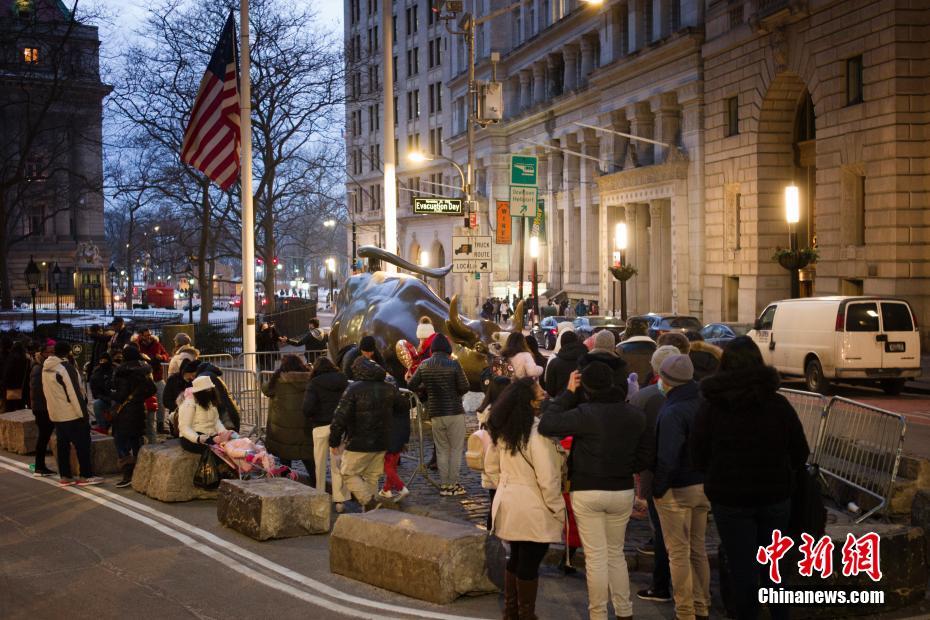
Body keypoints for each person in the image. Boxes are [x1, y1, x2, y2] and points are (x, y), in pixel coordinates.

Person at [691, 337, 810, 620]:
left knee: (742, 568)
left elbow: (697, 455)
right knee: (775, 568)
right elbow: (800, 451)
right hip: (775, 496)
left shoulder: (711, 408)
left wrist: (716, 475)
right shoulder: (778, 405)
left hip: (730, 499)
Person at [540, 363, 652, 620]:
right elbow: (646, 454)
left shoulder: (584, 413)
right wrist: (625, 468)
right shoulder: (635, 415)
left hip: (587, 488)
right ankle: (625, 612)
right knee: (616, 554)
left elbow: (548, 423)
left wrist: (568, 392)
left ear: (587, 387)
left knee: (596, 557)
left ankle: (598, 614)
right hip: (621, 488)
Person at [484, 378, 564, 620]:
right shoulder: (536, 434)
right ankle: (525, 615)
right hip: (532, 506)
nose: (544, 395)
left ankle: (512, 612)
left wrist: (507, 487)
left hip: (509, 503)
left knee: (517, 558)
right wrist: (558, 509)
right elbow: (548, 478)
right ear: (529, 403)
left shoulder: (504, 432)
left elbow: (490, 467)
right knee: (528, 562)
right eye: (540, 394)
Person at [652, 354, 710, 620]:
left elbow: (667, 456)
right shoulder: (704, 403)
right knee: (698, 548)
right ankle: (702, 605)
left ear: (668, 380)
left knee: (678, 552)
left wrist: (658, 488)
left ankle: (685, 611)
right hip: (703, 485)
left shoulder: (673, 411)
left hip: (677, 489)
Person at [628, 345, 680, 603]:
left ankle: (662, 584)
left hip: (655, 472)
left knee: (662, 531)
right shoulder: (699, 396)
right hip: (691, 478)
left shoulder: (645, 397)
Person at [329, 356, 408, 511]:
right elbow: (404, 405)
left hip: (359, 441)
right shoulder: (388, 387)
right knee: (372, 476)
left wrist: (334, 441)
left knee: (347, 472)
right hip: (382, 440)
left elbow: (340, 417)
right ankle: (373, 514)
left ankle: (369, 502)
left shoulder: (353, 389)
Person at [408, 334, 469, 496]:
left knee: (441, 450)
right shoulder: (454, 364)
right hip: (454, 412)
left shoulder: (424, 365)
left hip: (435, 413)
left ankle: (444, 486)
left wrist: (426, 389)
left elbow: (411, 384)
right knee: (455, 449)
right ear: (448, 349)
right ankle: (453, 484)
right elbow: (464, 387)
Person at [42, 341, 102, 486]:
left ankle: (65, 476)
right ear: (68, 352)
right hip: (71, 414)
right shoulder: (65, 368)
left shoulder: (46, 367)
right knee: (82, 444)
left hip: (56, 413)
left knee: (63, 446)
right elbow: (74, 393)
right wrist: (83, 413)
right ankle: (86, 475)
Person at [303, 356, 350, 511]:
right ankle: (340, 501)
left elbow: (307, 407)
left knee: (320, 464)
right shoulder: (343, 380)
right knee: (338, 464)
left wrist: (313, 416)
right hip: (339, 426)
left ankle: (320, 495)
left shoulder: (314, 383)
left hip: (320, 427)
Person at [111, 345, 157, 487]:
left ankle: (128, 473)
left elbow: (121, 394)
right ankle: (140, 471)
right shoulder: (145, 368)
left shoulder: (122, 371)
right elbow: (152, 389)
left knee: (121, 441)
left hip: (124, 411)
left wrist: (111, 393)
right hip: (139, 408)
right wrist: (138, 398)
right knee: (137, 440)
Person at [262, 354, 315, 480]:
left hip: (283, 431)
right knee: (310, 462)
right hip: (305, 429)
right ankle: (317, 487)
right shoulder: (311, 379)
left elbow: (266, 389)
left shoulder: (279, 379)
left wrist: (277, 373)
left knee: (285, 463)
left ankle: (287, 487)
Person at [476, 375, 510, 531]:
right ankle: (495, 533)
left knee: (494, 502)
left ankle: (492, 532)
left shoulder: (485, 410)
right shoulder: (498, 412)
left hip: (490, 465)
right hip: (500, 464)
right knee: (499, 505)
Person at [177, 375, 233, 454]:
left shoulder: (209, 401)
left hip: (210, 436)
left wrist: (223, 432)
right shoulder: (189, 404)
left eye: (210, 389)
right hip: (192, 438)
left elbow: (216, 420)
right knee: (217, 450)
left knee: (229, 444)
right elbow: (184, 427)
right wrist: (197, 438)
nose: (209, 392)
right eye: (207, 390)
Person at [135, 328, 170, 439]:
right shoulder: (137, 346)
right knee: (149, 404)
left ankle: (160, 424)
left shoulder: (156, 344)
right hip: (145, 380)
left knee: (161, 401)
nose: (148, 337)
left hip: (157, 377)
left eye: (150, 335)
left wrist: (162, 357)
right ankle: (148, 428)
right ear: (141, 336)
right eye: (146, 335)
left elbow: (166, 355)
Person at [29, 340, 56, 476]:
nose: (52, 354)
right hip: (42, 409)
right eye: (49, 352)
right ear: (43, 353)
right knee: (43, 437)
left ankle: (40, 466)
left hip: (42, 407)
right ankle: (39, 467)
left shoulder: (41, 366)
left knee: (44, 436)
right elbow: (40, 392)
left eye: (53, 352)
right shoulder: (40, 368)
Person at [191, 360, 241, 431]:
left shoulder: (204, 378)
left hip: (226, 417)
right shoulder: (209, 375)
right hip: (228, 413)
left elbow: (220, 406)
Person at [544, 331, 586, 397]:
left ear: (561, 343)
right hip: (583, 404)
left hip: (560, 403)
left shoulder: (554, 363)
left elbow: (550, 390)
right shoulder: (587, 361)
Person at [616, 321, 656, 388]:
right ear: (646, 330)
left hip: (628, 390)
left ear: (628, 330)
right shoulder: (656, 348)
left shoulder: (621, 348)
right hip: (651, 390)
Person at [89, 351, 115, 433]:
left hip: (117, 399)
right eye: (101, 361)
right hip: (105, 399)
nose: (103, 363)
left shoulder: (116, 371)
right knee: (97, 404)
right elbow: (95, 393)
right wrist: (106, 398)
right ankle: (102, 427)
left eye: (105, 361)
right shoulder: (96, 374)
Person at [2, 341, 30, 411]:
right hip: (23, 388)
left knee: (10, 409)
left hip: (11, 388)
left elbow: (7, 374)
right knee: (21, 408)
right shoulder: (26, 359)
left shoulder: (11, 358)